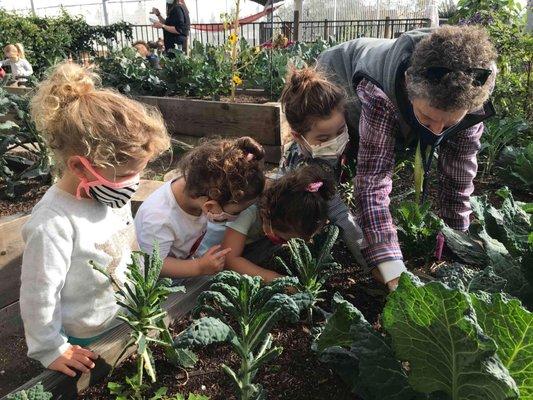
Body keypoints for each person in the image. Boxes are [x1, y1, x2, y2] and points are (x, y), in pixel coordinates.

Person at [317, 25, 497, 290]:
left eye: (448, 125)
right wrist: (392, 268)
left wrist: (458, 245)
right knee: (325, 167)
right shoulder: (379, 92)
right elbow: (373, 183)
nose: (435, 131)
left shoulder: (474, 90)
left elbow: (458, 180)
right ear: (407, 86)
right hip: (338, 76)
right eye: (427, 118)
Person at [20, 62, 171, 376]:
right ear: (79, 167)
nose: (135, 183)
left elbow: (126, 246)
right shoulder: (54, 223)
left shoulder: (107, 194)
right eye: (128, 175)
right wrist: (52, 348)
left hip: (121, 322)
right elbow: (39, 295)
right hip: (82, 340)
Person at [134, 137, 265, 279]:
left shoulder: (199, 186)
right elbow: (155, 265)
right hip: (156, 287)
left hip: (184, 264)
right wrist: (199, 267)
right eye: (236, 212)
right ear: (209, 206)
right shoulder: (159, 219)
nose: (237, 217)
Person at [278, 67, 366, 268]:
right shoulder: (307, 168)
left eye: (341, 131)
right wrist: (371, 260)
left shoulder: (321, 150)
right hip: (292, 223)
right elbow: (338, 212)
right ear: (298, 137)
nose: (335, 142)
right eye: (324, 139)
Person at [222, 165, 335, 282]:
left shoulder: (289, 197)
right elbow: (229, 260)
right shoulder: (248, 210)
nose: (287, 244)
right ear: (266, 214)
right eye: (281, 239)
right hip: (221, 250)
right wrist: (275, 278)